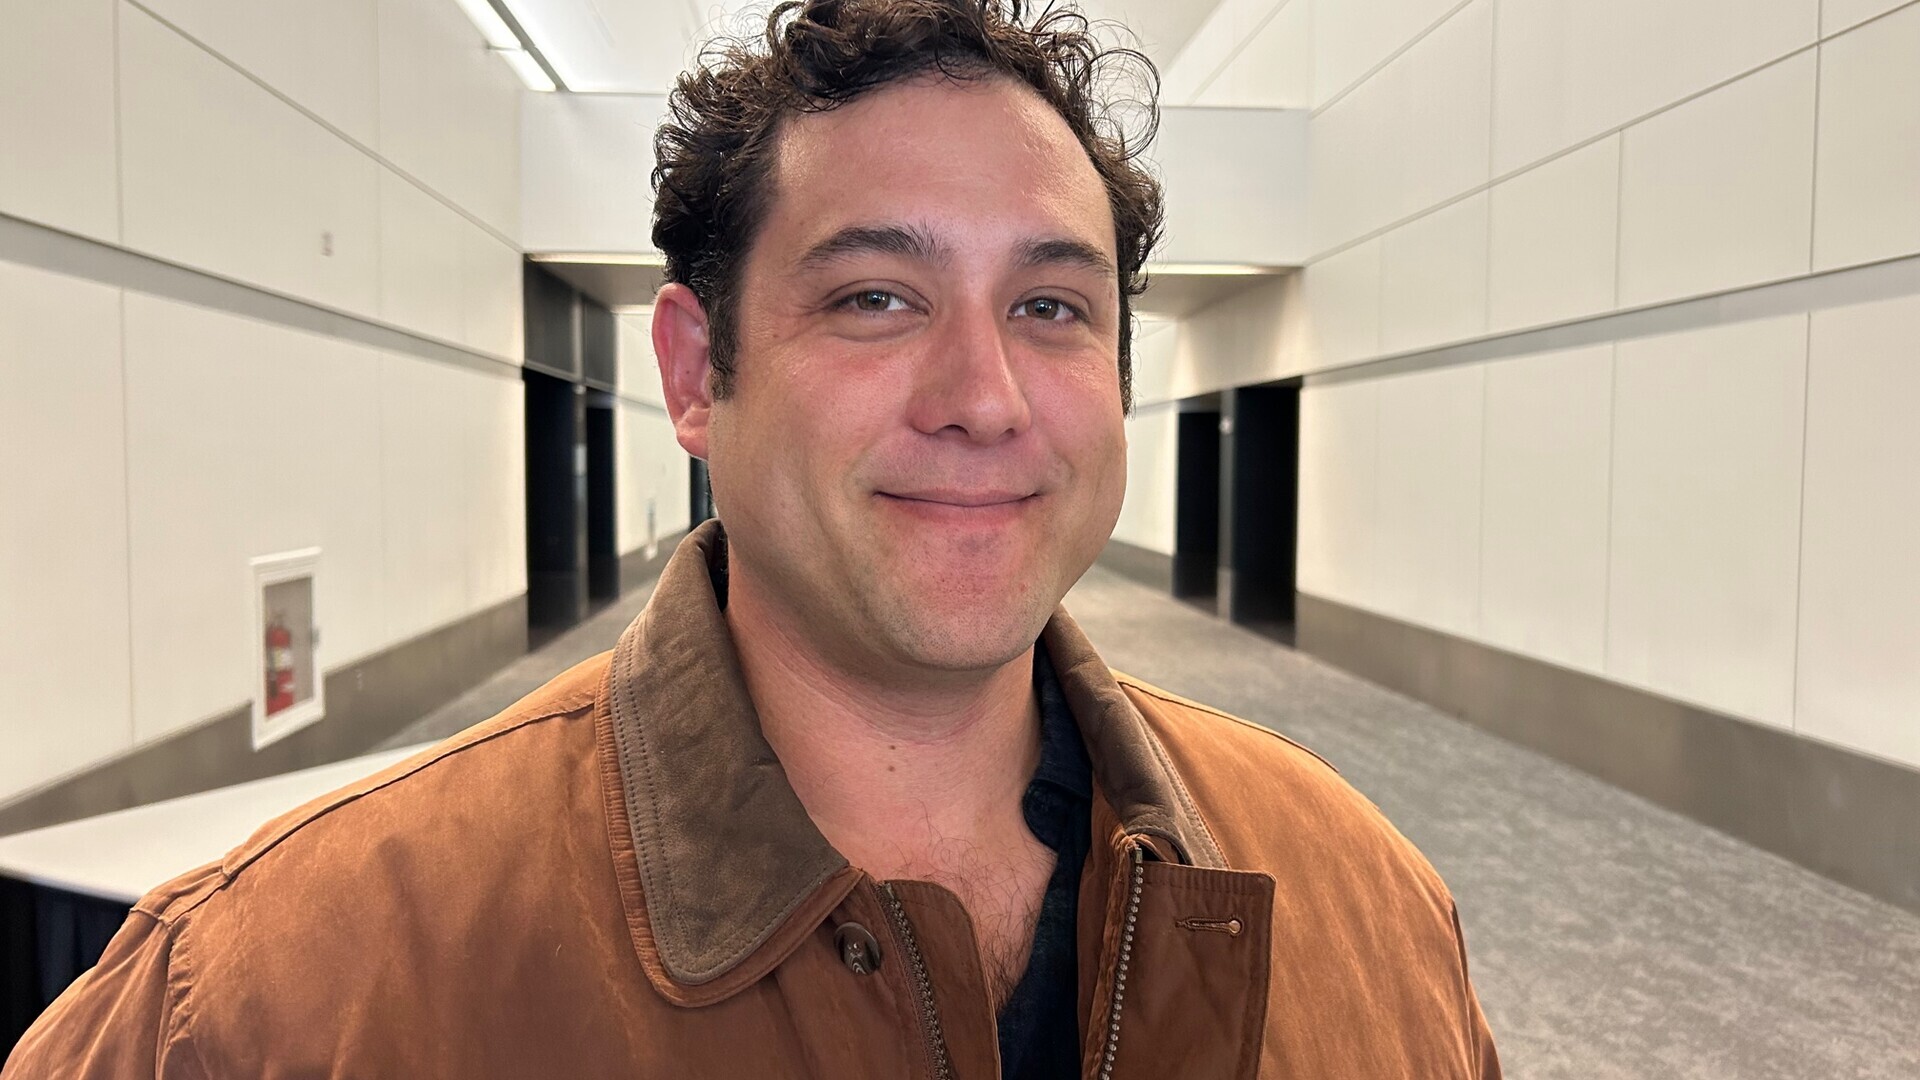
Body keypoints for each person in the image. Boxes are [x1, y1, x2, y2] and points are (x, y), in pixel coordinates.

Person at [4, 1, 1500, 1077]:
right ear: (693, 375)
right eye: (875, 298)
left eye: (1050, 306)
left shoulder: (1365, 906)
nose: (984, 397)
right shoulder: (275, 995)